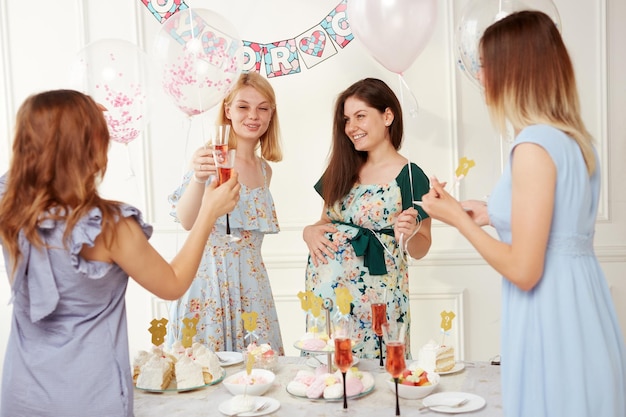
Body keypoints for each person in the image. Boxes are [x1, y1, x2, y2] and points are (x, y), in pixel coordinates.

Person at [421, 11, 626, 417]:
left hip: (551, 314)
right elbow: (561, 224)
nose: (480, 77)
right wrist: (492, 214)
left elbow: (524, 269)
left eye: (486, 66)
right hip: (583, 307)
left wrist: (457, 220)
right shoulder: (576, 142)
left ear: (514, 70)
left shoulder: (532, 145)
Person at [0, 90, 240, 417]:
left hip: (21, 396)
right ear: (93, 147)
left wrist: (59, 122)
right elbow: (172, 284)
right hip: (91, 399)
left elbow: (14, 177)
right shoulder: (109, 227)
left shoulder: (11, 211)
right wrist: (208, 213)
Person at [303, 78, 432, 359]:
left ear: (388, 116)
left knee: (376, 374)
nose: (351, 127)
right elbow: (322, 221)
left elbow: (421, 248)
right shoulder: (341, 168)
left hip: (376, 299)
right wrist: (308, 232)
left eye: (360, 116)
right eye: (347, 119)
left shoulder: (409, 176)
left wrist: (409, 233)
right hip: (328, 295)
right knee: (330, 380)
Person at [167, 71, 285, 355]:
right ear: (228, 110)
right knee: (206, 375)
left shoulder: (265, 170)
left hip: (252, 289)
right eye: (243, 106)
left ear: (271, 115)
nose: (253, 115)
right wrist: (197, 178)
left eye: (262, 108)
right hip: (210, 285)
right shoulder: (211, 158)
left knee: (255, 375)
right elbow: (186, 221)